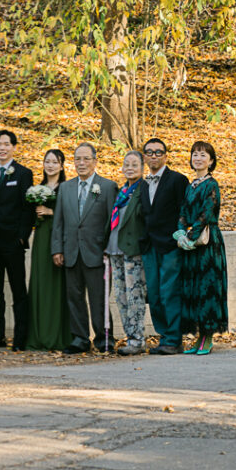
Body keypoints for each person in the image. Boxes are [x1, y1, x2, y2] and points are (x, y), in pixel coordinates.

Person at [51, 142, 118, 354]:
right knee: (75, 298)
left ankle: (104, 339)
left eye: (86, 158)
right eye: (77, 159)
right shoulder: (65, 188)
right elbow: (59, 221)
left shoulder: (107, 187)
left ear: (95, 161)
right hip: (71, 252)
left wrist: (108, 250)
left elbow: (112, 222)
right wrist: (57, 249)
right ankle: (80, 338)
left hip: (97, 253)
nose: (81, 163)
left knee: (99, 299)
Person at [0, 130, 34, 352]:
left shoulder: (23, 174)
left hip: (13, 241)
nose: (2, 148)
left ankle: (21, 336)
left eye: (6, 144)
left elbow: (27, 207)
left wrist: (22, 236)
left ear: (13, 147)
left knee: (18, 289)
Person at [176, 141, 228, 355]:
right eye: (195, 154)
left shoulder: (211, 184)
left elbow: (207, 213)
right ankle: (198, 337)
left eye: (203, 155)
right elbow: (184, 211)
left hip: (207, 242)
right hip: (191, 244)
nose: (198, 158)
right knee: (194, 288)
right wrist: (180, 231)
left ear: (211, 160)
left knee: (208, 287)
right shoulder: (191, 185)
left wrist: (191, 235)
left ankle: (208, 338)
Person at [139, 138, 190, 355]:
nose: (154, 156)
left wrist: (181, 236)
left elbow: (185, 210)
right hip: (149, 246)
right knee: (155, 293)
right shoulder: (141, 183)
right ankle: (163, 335)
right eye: (149, 152)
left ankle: (174, 338)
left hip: (170, 245)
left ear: (165, 156)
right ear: (144, 157)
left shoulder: (177, 180)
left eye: (158, 152)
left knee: (170, 292)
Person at [26, 149, 70, 352]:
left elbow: (71, 214)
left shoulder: (67, 188)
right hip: (41, 237)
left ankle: (57, 336)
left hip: (58, 237)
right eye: (47, 161)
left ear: (61, 166)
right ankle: (38, 335)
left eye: (55, 162)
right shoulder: (39, 188)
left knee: (56, 284)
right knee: (39, 282)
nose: (50, 165)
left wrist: (50, 211)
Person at [105, 151, 148, 356]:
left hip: (133, 251)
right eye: (126, 164)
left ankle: (138, 339)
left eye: (134, 164)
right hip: (114, 249)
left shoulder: (143, 189)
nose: (129, 168)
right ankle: (130, 337)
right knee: (121, 297)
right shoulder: (121, 191)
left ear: (142, 168)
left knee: (134, 296)